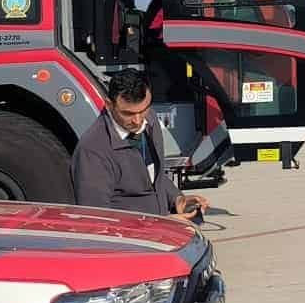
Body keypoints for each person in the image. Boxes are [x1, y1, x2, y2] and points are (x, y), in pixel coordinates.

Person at [72, 69, 208, 221]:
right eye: (128, 114)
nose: (137, 121)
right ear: (109, 105)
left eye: (143, 110)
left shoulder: (150, 120)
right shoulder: (92, 151)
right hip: (134, 236)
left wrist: (177, 199)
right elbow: (96, 220)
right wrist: (164, 224)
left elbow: (153, 174)